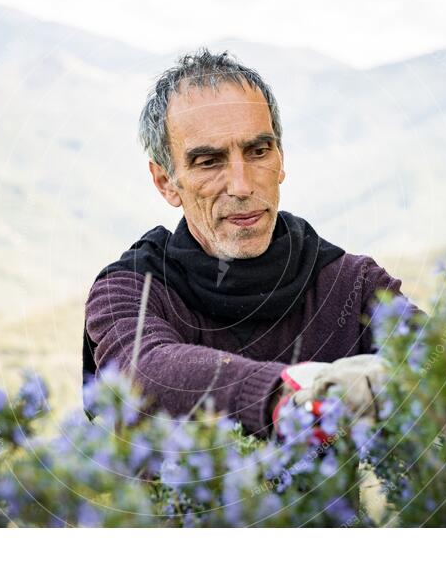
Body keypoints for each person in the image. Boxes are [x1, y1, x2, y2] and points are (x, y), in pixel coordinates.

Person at [83, 48, 422, 440]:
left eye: (258, 151)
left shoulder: (353, 286)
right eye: (209, 161)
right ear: (165, 182)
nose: (242, 186)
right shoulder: (129, 291)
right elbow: (143, 371)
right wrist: (289, 393)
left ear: (280, 160)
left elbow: (445, 373)